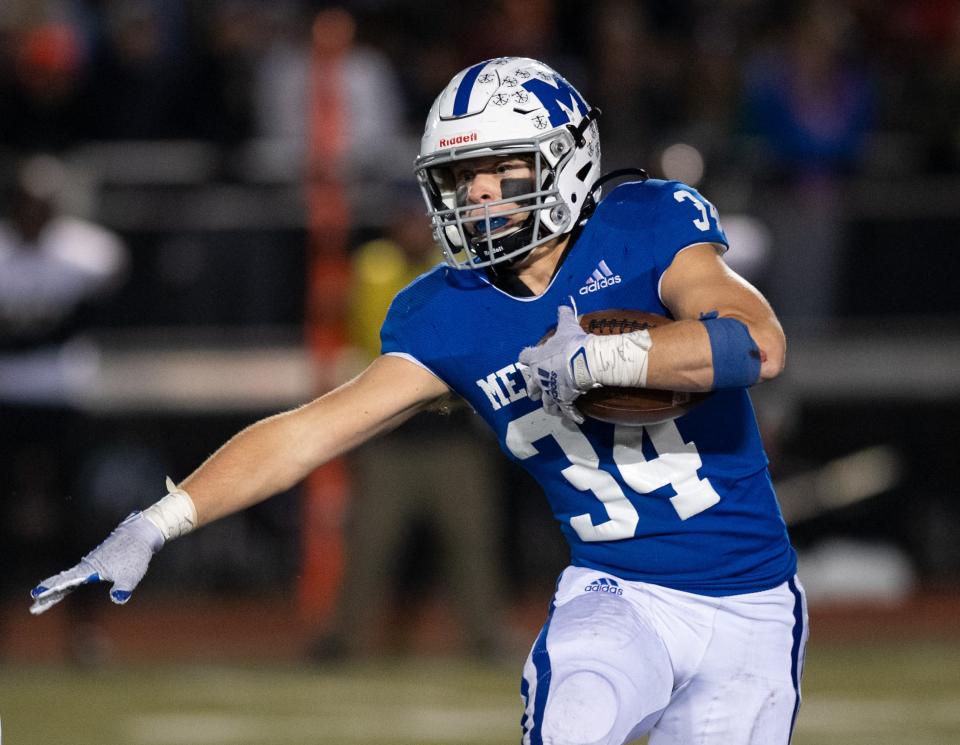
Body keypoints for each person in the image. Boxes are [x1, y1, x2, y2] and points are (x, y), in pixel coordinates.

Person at [31, 57, 807, 745]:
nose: (472, 193)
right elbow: (307, 432)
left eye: (496, 169)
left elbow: (753, 342)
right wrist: (159, 521)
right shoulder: (449, 312)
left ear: (564, 161)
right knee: (578, 716)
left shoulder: (647, 223)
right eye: (459, 176)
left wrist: (602, 357)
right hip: (619, 591)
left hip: (753, 602)